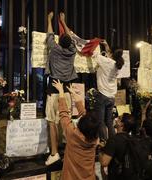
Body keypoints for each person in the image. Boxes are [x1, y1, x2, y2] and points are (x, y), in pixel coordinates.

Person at [45, 12, 78, 165]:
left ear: (59, 40)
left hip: (54, 88)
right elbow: (69, 35)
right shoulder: (72, 51)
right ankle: (69, 151)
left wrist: (49, 19)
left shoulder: (54, 48)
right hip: (67, 90)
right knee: (66, 121)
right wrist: (63, 21)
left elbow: (50, 33)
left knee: (52, 122)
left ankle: (54, 153)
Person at [52, 79, 100, 180]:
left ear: (80, 124)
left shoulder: (73, 135)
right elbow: (68, 114)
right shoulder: (95, 139)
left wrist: (61, 91)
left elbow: (63, 113)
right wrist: (74, 95)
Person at [94, 40, 124, 142]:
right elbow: (109, 56)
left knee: (100, 121)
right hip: (111, 97)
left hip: (103, 95)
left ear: (111, 53)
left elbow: (94, 54)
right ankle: (113, 142)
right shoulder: (117, 64)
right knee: (109, 121)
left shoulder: (107, 62)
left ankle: (104, 142)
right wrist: (106, 45)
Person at [99, 113, 138, 180]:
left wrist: (100, 150)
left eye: (119, 118)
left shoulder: (114, 140)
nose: (116, 119)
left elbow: (104, 162)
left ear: (121, 124)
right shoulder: (132, 139)